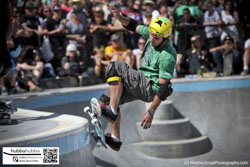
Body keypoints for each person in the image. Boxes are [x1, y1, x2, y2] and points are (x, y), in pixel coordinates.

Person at [97, 7, 176, 151]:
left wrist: (151, 111)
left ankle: (112, 111)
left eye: (156, 38)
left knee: (116, 66)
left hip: (150, 87)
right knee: (107, 100)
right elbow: (133, 25)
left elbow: (163, 88)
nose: (151, 39)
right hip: (140, 82)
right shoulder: (152, 33)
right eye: (150, 35)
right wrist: (120, 17)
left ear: (166, 37)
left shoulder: (167, 56)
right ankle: (115, 139)